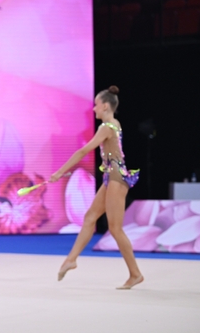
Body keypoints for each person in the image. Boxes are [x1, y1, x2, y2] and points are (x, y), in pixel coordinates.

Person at [51, 86, 143, 289]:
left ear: (106, 106)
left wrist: (59, 173)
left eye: (96, 105)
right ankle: (71, 259)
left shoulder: (106, 127)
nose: (93, 109)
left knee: (115, 229)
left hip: (116, 179)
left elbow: (83, 151)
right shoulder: (114, 124)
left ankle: (135, 274)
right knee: (90, 217)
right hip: (111, 178)